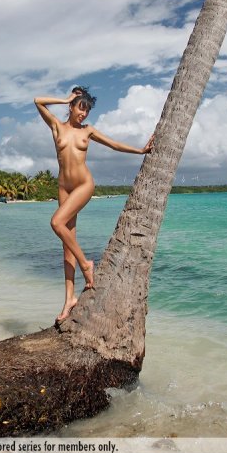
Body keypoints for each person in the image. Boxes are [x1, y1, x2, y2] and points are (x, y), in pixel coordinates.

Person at [34, 87, 154, 324]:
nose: (84, 114)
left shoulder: (87, 131)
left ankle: (86, 263)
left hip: (83, 185)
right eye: (80, 107)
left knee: (56, 223)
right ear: (71, 106)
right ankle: (69, 300)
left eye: (87, 110)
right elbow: (38, 101)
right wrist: (65, 98)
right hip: (64, 188)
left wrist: (140, 150)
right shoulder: (57, 126)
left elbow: (114, 145)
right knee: (66, 246)